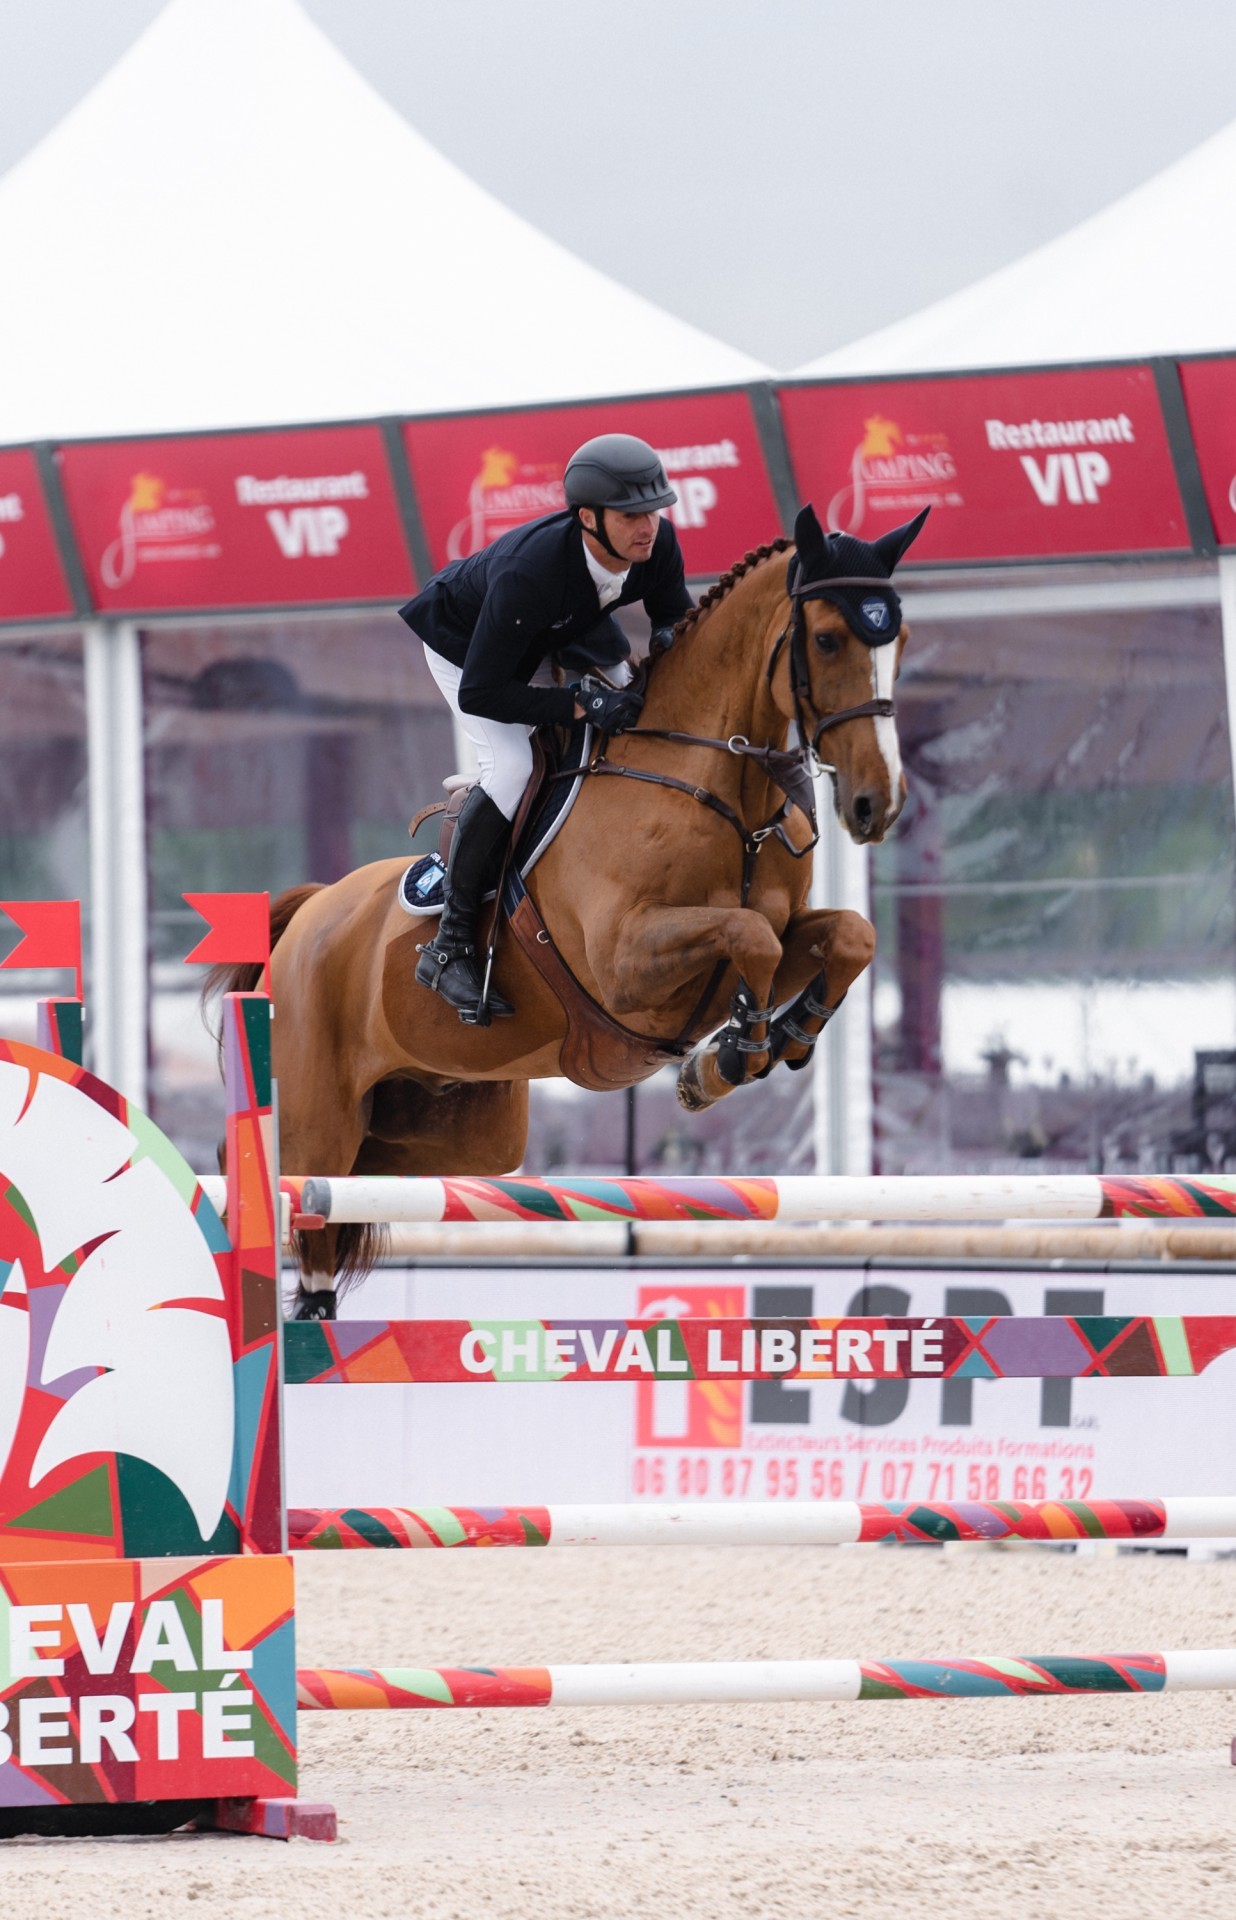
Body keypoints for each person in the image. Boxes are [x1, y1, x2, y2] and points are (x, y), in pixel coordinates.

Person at [398, 433, 693, 1021]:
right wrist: (577, 706)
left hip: (563, 623)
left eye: (655, 510)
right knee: (513, 767)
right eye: (632, 515)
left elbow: (673, 617)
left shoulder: (654, 545)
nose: (649, 526)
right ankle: (449, 944)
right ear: (587, 518)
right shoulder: (527, 571)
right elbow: (485, 688)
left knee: (638, 711)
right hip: (470, 649)